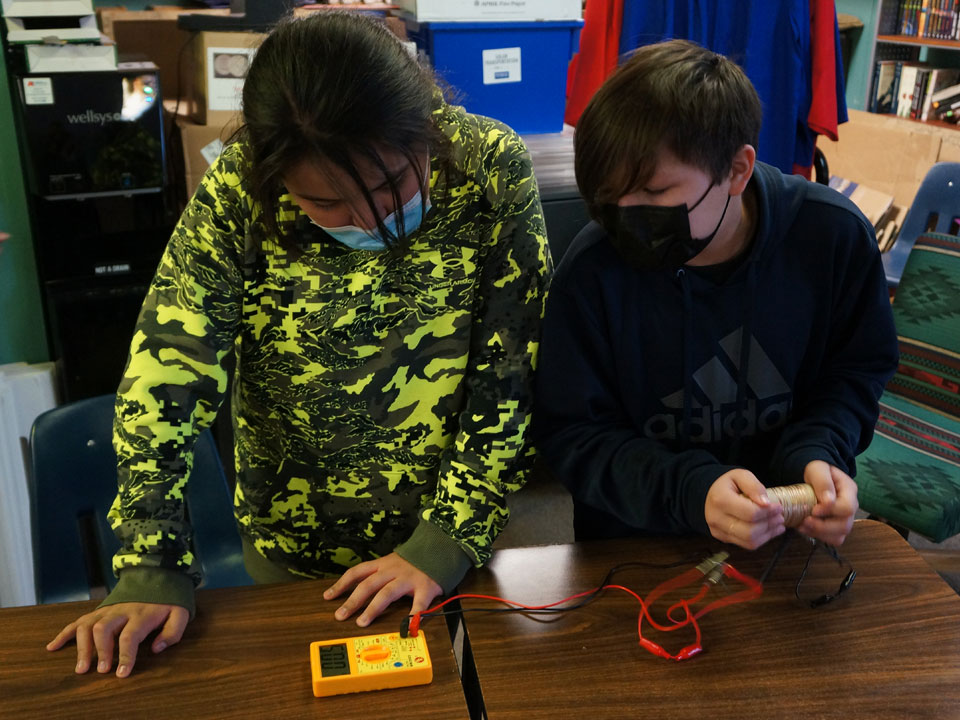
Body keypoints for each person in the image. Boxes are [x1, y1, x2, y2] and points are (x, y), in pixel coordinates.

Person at [48, 12, 550, 678]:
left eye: (391, 186)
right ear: (276, 176)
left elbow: (507, 374)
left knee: (456, 690)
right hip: (292, 544)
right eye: (327, 203)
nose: (370, 220)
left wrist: (449, 536)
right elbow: (165, 371)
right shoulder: (237, 193)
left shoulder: (489, 168)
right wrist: (151, 559)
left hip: (447, 537)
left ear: (426, 129)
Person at [533, 40, 898, 553]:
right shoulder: (594, 269)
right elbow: (572, 433)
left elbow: (856, 374)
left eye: (655, 194)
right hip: (635, 551)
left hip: (786, 538)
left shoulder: (830, 239)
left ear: (736, 171)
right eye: (607, 197)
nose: (625, 216)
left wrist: (819, 452)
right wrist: (689, 490)